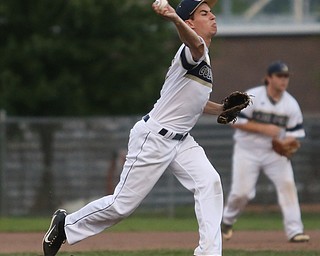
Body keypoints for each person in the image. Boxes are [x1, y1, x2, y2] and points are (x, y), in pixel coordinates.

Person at [42, 1, 227, 255]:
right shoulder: (192, 50)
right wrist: (174, 17)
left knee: (209, 182)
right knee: (121, 206)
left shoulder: (203, 58)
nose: (213, 16)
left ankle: (209, 252)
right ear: (190, 23)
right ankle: (66, 225)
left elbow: (194, 101)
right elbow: (193, 43)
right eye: (204, 13)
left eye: (211, 12)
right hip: (154, 138)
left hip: (182, 141)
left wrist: (221, 109)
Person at [221, 61, 310, 243]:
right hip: (247, 150)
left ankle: (295, 231)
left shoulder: (291, 104)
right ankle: (227, 221)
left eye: (286, 77)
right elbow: (234, 120)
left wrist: (286, 142)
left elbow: (295, 134)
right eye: (279, 76)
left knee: (287, 186)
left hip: (274, 152)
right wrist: (263, 129)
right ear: (269, 78)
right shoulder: (254, 96)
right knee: (242, 193)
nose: (283, 80)